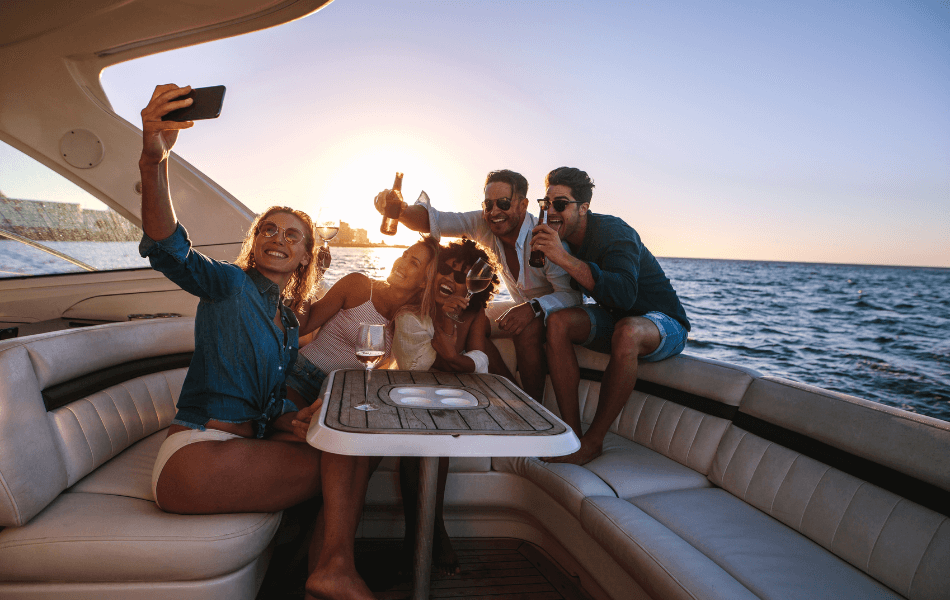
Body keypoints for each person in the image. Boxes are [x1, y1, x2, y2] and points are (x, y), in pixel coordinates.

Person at [139, 83, 378, 600]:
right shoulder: (229, 284)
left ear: (305, 257)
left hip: (243, 447)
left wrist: (291, 419)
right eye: (269, 230)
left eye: (293, 235)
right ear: (255, 243)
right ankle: (333, 568)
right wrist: (152, 157)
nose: (278, 238)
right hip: (197, 454)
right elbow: (167, 247)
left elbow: (266, 409)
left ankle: (326, 571)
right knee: (346, 453)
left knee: (353, 443)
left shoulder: (289, 322)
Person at [373, 169, 581, 402]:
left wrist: (533, 308)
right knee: (474, 316)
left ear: (523, 205)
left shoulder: (545, 238)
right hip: (521, 305)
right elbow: (435, 220)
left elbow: (572, 295)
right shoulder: (484, 222)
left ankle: (532, 406)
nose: (494, 212)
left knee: (528, 328)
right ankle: (510, 393)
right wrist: (399, 211)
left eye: (503, 203)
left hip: (553, 311)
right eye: (488, 204)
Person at [529, 167, 690, 465]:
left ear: (584, 208)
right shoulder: (561, 238)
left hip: (663, 322)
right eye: (546, 203)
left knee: (628, 331)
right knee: (558, 322)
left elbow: (624, 295)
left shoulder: (615, 233)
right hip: (617, 319)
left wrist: (563, 258)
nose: (551, 211)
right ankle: (571, 435)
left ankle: (592, 443)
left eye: (560, 204)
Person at [390, 238, 512, 576]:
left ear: (475, 287)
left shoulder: (474, 314)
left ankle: (421, 537)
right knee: (424, 429)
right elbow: (420, 365)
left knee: (431, 429)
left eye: (463, 277)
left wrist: (454, 354)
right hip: (419, 394)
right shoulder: (416, 306)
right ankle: (430, 533)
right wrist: (452, 357)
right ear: (433, 271)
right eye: (447, 269)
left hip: (463, 397)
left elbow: (476, 360)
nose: (452, 280)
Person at [284, 237, 439, 404]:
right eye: (404, 255)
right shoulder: (358, 286)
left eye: (413, 263)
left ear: (424, 281)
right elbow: (301, 327)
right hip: (301, 375)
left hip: (343, 393)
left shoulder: (411, 323)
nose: (401, 263)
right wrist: (312, 275)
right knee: (296, 426)